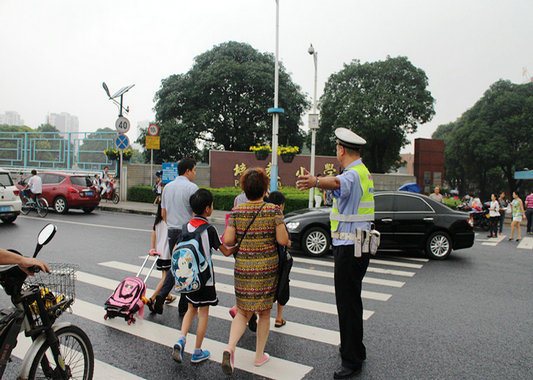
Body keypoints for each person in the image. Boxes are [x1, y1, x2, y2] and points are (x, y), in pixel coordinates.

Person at [296, 127, 374, 379]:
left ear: (341, 150)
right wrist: (324, 187)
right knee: (353, 301)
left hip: (349, 248)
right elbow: (340, 191)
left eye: (337, 148)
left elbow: (340, 183)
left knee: (347, 303)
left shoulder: (352, 174)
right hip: (357, 246)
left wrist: (316, 181)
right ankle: (355, 349)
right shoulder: (362, 172)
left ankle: (351, 361)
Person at [221, 168, 289, 375]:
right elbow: (282, 240)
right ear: (265, 188)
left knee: (242, 311)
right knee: (264, 313)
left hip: (243, 268)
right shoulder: (273, 210)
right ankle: (259, 356)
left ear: (244, 189)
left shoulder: (237, 211)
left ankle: (230, 347)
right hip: (267, 269)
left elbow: (228, 240)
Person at [173, 189, 237, 364]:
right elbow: (225, 251)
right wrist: (238, 245)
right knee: (203, 313)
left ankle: (181, 339)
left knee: (190, 309)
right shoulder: (209, 229)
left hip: (188, 278)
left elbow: (175, 251)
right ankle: (197, 351)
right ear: (208, 209)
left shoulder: (185, 226)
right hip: (205, 279)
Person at [153, 158, 199, 316]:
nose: (195, 174)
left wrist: (172, 224)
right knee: (187, 268)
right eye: (194, 170)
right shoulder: (192, 188)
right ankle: (182, 305)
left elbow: (163, 213)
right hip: (187, 231)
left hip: (171, 231)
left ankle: (162, 296)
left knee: (175, 265)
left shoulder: (167, 187)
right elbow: (196, 213)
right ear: (187, 171)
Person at [266, 190, 291, 328]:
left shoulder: (263, 215)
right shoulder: (279, 218)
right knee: (282, 286)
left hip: (266, 260)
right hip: (279, 260)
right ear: (281, 206)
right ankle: (278, 318)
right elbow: (285, 241)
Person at [145, 203, 175, 312]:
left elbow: (153, 234)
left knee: (165, 275)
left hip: (159, 253)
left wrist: (153, 248)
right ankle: (152, 298)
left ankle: (168, 296)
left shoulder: (157, 222)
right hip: (167, 253)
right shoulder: (170, 222)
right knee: (166, 278)